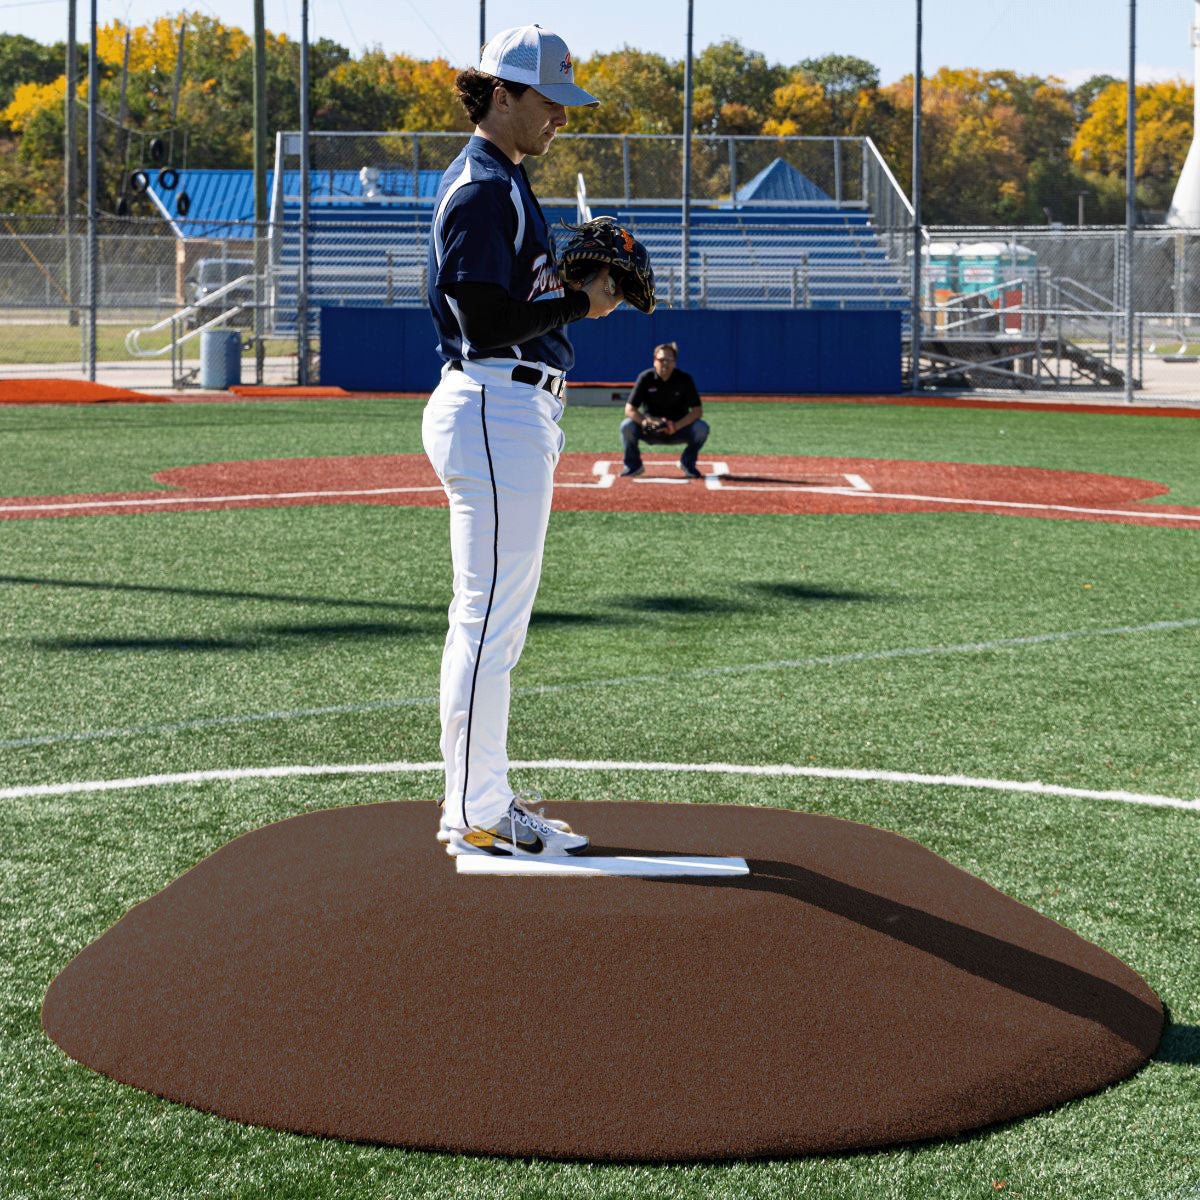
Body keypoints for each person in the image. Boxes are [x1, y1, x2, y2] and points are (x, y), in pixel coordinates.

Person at [421, 25, 622, 859]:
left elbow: (505, 302)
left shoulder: (506, 183)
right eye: (548, 101)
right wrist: (581, 306)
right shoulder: (481, 187)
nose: (559, 120)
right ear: (500, 94)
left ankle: (479, 795)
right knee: (488, 622)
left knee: (492, 619)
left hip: (510, 410)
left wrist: (566, 288)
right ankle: (476, 806)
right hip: (494, 405)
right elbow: (482, 322)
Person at [620, 343, 709, 478]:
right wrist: (646, 422)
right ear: (654, 361)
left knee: (701, 428)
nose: (665, 364)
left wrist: (675, 426)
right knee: (627, 426)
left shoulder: (684, 379)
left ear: (675, 362)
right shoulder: (645, 378)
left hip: (678, 428)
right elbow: (629, 409)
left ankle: (687, 463)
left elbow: (697, 411)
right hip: (651, 429)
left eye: (669, 360)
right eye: (661, 360)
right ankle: (633, 465)